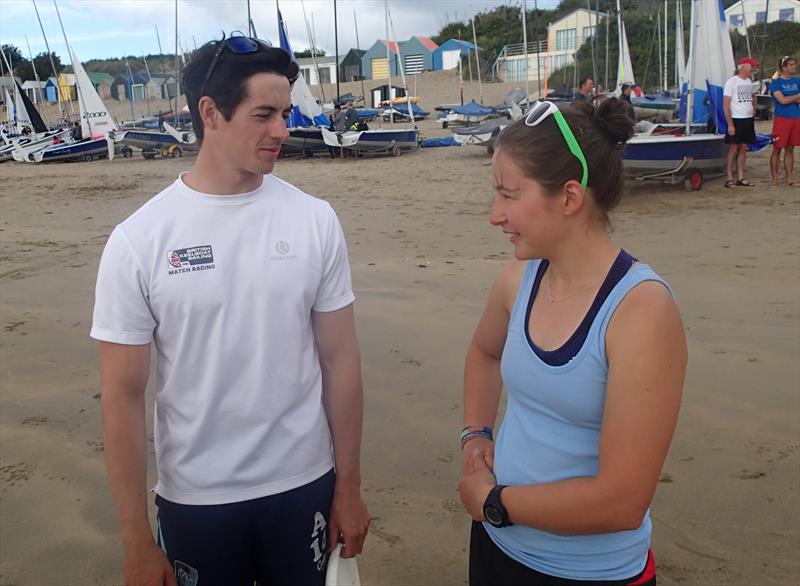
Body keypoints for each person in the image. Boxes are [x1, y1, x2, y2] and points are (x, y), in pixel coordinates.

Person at [92, 35, 369, 586]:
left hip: (304, 482)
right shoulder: (140, 241)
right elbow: (122, 397)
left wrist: (350, 487)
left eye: (285, 113)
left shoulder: (314, 221)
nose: (283, 131)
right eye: (264, 114)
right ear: (210, 114)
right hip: (198, 499)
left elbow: (341, 362)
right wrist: (136, 541)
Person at [458, 98, 686, 585]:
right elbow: (484, 352)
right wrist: (475, 436)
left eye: (507, 195)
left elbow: (622, 501)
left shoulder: (640, 311)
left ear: (568, 198)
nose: (494, 215)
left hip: (588, 572)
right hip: (497, 546)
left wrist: (494, 503)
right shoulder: (519, 278)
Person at [723, 57, 759, 187]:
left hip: (747, 119)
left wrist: (753, 108)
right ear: (743, 67)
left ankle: (741, 176)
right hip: (737, 119)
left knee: (744, 147)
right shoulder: (731, 82)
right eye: (751, 66)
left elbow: (753, 96)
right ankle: (729, 178)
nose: (753, 69)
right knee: (733, 148)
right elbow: (726, 104)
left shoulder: (749, 81)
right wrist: (730, 124)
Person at [768, 56, 799, 187]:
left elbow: (790, 100)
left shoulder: (797, 81)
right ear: (784, 67)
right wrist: (797, 96)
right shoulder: (775, 83)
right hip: (782, 118)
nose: (794, 66)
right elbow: (782, 101)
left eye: (794, 64)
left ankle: (790, 178)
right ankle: (775, 178)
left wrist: (791, 98)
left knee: (790, 149)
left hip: (796, 117)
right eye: (791, 65)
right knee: (777, 148)